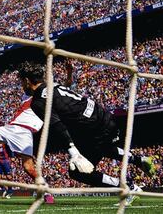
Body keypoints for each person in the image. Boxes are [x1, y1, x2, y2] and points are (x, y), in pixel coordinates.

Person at [17, 62, 156, 205]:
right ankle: (139, 160)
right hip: (104, 117)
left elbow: (57, 125)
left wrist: (73, 152)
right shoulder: (54, 85)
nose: (22, 86)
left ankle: (128, 188)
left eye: (21, 82)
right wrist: (70, 73)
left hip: (92, 128)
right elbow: (67, 90)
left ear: (27, 80)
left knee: (77, 172)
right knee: (102, 147)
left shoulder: (37, 101)